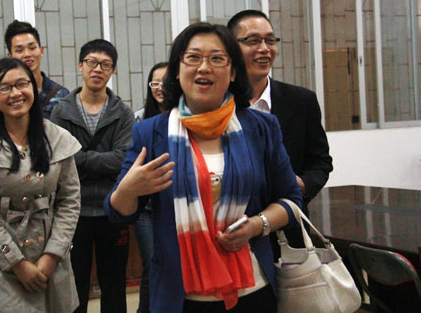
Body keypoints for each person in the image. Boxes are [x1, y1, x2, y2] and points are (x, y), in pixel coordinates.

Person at [105, 22, 303, 313]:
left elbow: (291, 200)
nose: (204, 67)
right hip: (180, 295)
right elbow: (117, 213)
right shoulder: (151, 132)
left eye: (217, 58)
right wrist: (128, 189)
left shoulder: (261, 127)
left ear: (233, 72)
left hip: (252, 289)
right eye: (193, 57)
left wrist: (255, 226)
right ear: (177, 69)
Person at [0, 58, 81, 312]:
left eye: (22, 84)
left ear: (33, 88)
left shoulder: (57, 138)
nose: (15, 93)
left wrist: (53, 254)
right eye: (4, 88)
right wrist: (17, 263)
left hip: (50, 256)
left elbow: (70, 200)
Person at [227, 10, 333, 247]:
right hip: (232, 232)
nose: (264, 49)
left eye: (270, 40)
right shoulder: (218, 105)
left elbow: (321, 162)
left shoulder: (301, 101)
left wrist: (300, 184)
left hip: (289, 232)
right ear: (231, 49)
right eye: (253, 41)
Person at [51, 39, 135, 313]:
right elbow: (61, 159)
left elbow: (122, 159)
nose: (98, 69)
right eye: (91, 62)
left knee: (114, 285)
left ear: (113, 70)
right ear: (80, 65)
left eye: (105, 64)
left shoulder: (123, 113)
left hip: (113, 208)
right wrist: (100, 160)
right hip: (73, 211)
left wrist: (81, 158)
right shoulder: (62, 111)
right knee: (74, 285)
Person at [132, 61, 168, 313]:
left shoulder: (187, 117)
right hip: (145, 208)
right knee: (152, 263)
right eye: (155, 83)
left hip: (174, 205)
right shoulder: (139, 118)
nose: (160, 88)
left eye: (165, 82)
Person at [4, 19, 69, 118]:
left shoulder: (62, 95)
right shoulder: (6, 96)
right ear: (10, 56)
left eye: (32, 48)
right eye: (19, 50)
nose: (27, 54)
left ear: (41, 51)